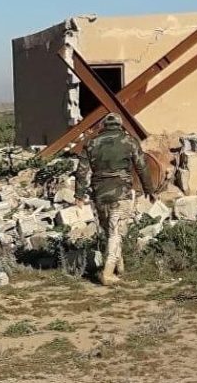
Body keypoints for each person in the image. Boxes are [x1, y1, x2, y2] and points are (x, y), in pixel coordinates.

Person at [74, 113, 154, 286]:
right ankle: (108, 273)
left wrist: (79, 195)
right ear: (120, 125)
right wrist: (149, 189)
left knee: (111, 231)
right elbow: (142, 166)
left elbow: (81, 171)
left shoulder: (91, 143)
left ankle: (120, 267)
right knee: (115, 233)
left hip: (99, 194)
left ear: (103, 125)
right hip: (121, 193)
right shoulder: (129, 141)